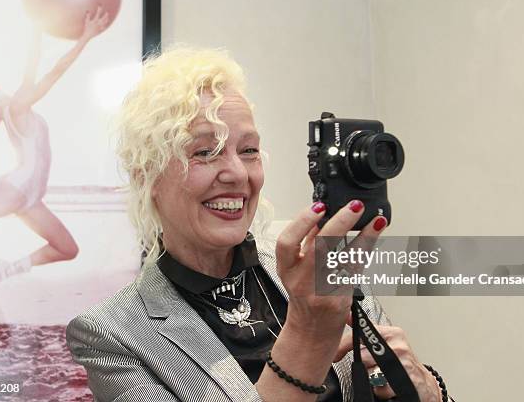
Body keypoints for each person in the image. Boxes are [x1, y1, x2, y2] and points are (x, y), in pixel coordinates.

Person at [66, 47, 450, 401]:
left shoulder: (312, 267)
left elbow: (391, 383)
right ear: (147, 176)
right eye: (205, 152)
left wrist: (420, 389)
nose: (236, 173)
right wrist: (307, 331)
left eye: (248, 150)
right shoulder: (112, 335)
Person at [0, 7, 109, 292]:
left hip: (30, 198)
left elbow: (33, 66)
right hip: (14, 191)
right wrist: (85, 37)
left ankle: (6, 269)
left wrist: (37, 30)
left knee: (66, 248)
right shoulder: (17, 106)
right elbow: (54, 71)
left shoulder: (16, 107)